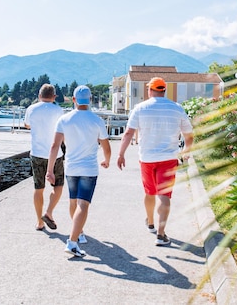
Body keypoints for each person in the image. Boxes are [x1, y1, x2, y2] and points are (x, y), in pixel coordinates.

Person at [116, 77, 193, 246]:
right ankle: (161, 233)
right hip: (169, 158)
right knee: (164, 196)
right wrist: (186, 153)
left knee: (149, 192)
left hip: (147, 158)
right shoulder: (176, 108)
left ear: (149, 90)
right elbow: (189, 134)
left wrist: (121, 154)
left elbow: (128, 133)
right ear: (164, 91)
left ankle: (150, 222)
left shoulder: (140, 108)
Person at [46, 85, 111, 258]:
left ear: (73, 100)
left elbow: (54, 146)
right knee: (83, 204)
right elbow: (106, 146)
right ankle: (72, 241)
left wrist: (50, 170)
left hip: (71, 167)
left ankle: (80, 232)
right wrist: (107, 160)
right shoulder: (97, 120)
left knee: (73, 201)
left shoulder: (64, 119)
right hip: (89, 169)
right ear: (90, 100)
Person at [24, 84, 65, 231]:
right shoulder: (58, 110)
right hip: (57, 155)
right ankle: (49, 212)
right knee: (58, 186)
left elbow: (27, 125)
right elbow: (63, 131)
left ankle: (39, 222)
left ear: (39, 95)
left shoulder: (31, 109)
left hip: (37, 154)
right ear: (54, 96)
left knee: (38, 188)